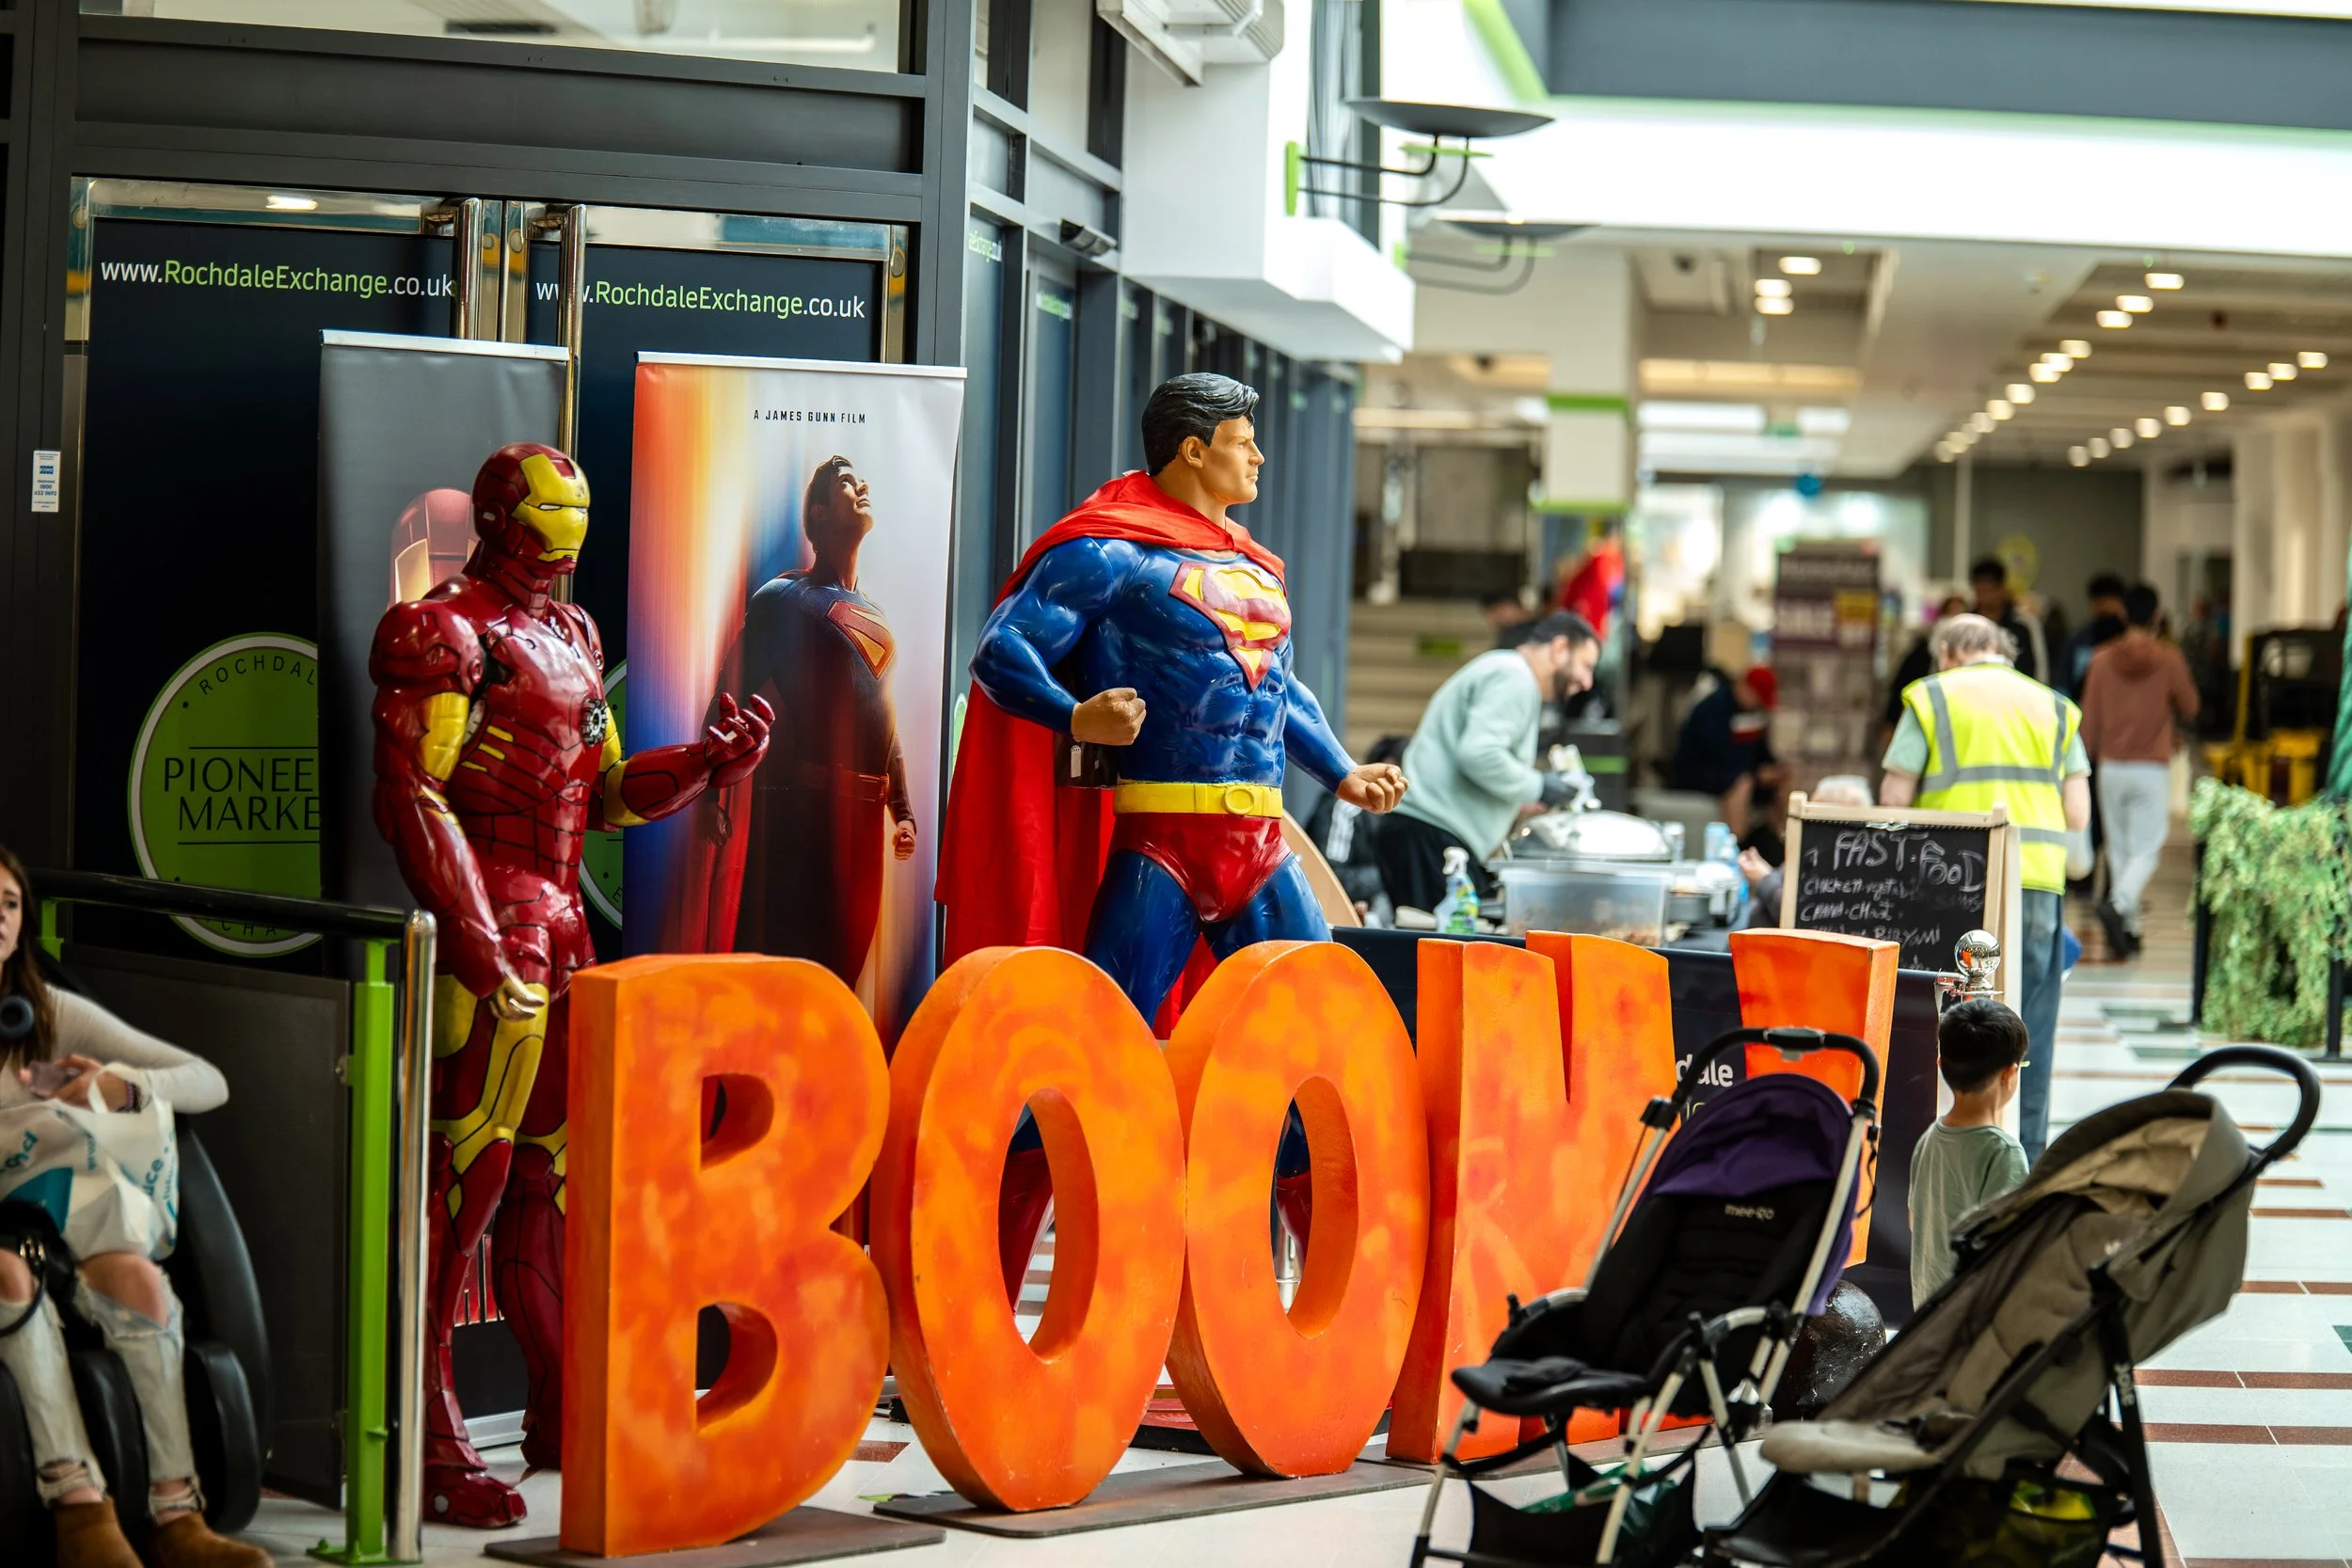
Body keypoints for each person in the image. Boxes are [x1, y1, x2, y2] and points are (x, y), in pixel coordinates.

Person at [369, 443, 772, 1525]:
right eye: (554, 505)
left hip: (558, 915)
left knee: (550, 1176)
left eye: (583, 505)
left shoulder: (573, 632)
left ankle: (563, 1402)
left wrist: (703, 766)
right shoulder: (442, 630)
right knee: (465, 1177)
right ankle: (429, 1427)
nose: (574, 524)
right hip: (496, 918)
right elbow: (416, 796)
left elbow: (599, 798)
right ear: (503, 515)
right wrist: (474, 939)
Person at [940, 372, 1406, 1284]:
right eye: (1244, 438)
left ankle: (1337, 1299)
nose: (1259, 454)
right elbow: (1001, 647)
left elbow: (1279, 688)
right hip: (1162, 844)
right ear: (1193, 449)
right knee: (1089, 1048)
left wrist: (1342, 771)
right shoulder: (1107, 554)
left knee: (1310, 1048)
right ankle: (976, 1282)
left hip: (1261, 847)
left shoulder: (1253, 566)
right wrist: (1073, 714)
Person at [0, 847, 270, 1568]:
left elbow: (205, 1079)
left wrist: (116, 1086)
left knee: (139, 1280)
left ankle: (176, 1517)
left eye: (9, 903)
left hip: (50, 1203)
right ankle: (80, 1510)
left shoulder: (43, 1010)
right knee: (7, 1277)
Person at [1880, 613, 2090, 1161]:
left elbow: (1895, 801)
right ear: (2005, 651)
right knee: (2029, 1026)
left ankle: (1937, 1148)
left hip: (1946, 885)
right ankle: (2026, 1155)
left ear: (1947, 653)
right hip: (2036, 883)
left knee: (1948, 1016)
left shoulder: (1931, 698)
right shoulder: (2057, 707)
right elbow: (2078, 813)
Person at [698, 456, 915, 982]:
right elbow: (729, 693)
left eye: (860, 478)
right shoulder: (786, 599)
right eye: (845, 482)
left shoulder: (875, 612)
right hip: (803, 821)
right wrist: (709, 790)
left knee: (841, 984)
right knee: (787, 977)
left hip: (861, 829)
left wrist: (902, 811)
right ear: (818, 513)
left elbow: (883, 725)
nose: (861, 484)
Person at [1374, 611, 1601, 915]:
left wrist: (1516, 799)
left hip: (1425, 832)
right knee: (1442, 955)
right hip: (1431, 834)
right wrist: (1539, 786)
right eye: (1585, 666)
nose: (1587, 682)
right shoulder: (1516, 678)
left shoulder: (1505, 670)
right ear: (1559, 649)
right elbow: (1479, 754)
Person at [2079, 583, 2199, 958]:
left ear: (2124, 616)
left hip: (2111, 766)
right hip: (2151, 767)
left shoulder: (2100, 660)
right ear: (2158, 617)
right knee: (2146, 850)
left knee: (2118, 849)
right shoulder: (2169, 659)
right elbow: (2191, 706)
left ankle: (2128, 929)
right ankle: (2119, 907)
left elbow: (2088, 723)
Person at [1908, 997, 2031, 1307]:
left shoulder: (1929, 1140)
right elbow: (2010, 1247)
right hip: (1972, 1319)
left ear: (1940, 1066)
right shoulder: (2003, 1152)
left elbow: (1915, 1220)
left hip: (1928, 1311)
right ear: (2009, 1074)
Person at [1737, 775, 1869, 928]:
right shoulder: (1816, 853)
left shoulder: (1854, 871)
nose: (1809, 829)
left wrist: (1764, 879)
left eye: (1815, 819)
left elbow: (1807, 918)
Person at [1672, 665, 1786, 836]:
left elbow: (1761, 751)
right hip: (1700, 773)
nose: (1759, 704)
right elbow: (1719, 755)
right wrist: (1757, 773)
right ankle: (1735, 843)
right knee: (1742, 783)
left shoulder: (1754, 714)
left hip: (1739, 770)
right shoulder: (1712, 709)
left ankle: (1780, 837)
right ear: (1746, 689)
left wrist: (1773, 769)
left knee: (1784, 777)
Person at [1968, 556, 2045, 684]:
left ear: (2001, 588)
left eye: (1988, 590)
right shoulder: (1965, 624)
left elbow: (2039, 666)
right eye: (1979, 590)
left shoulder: (2024, 624)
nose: (1984, 596)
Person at [2057, 572, 2128, 700]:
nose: (2104, 608)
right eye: (2100, 603)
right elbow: (2064, 686)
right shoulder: (2078, 641)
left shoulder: (2130, 640)